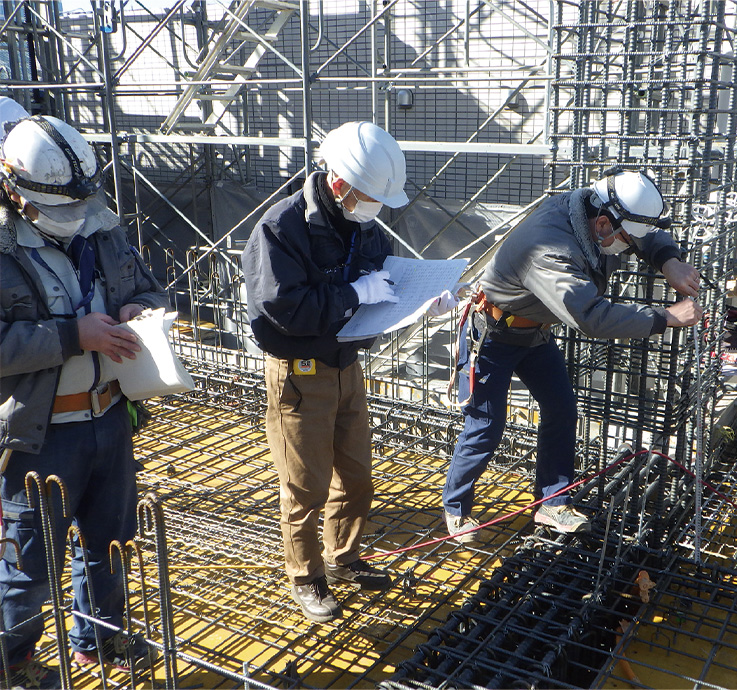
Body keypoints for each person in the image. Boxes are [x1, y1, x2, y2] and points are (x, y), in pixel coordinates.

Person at [442, 170, 703, 542]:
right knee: (485, 427)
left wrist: (668, 261)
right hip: (494, 334)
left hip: (533, 332)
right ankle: (455, 506)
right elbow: (592, 316)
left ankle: (551, 503)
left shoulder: (598, 213)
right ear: (602, 225)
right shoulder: (549, 249)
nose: (630, 249)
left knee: (562, 409)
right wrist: (666, 318)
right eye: (627, 242)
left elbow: (645, 233)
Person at [0, 116, 167, 687]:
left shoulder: (101, 226)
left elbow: (145, 285)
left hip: (110, 417)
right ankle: (14, 661)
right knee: (28, 566)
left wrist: (135, 310)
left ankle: (97, 640)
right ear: (14, 191)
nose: (72, 219)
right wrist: (74, 337)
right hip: (39, 436)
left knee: (111, 543)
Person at [241, 121, 409, 625]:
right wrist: (355, 294)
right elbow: (283, 308)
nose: (374, 210)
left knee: (356, 476)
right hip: (300, 373)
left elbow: (380, 270)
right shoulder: (281, 227)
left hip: (346, 367)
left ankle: (345, 559)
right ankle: (305, 575)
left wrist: (415, 296)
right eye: (368, 198)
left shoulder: (358, 222)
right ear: (338, 186)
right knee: (305, 486)